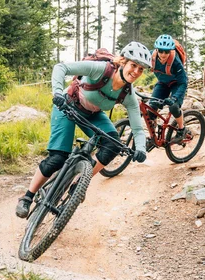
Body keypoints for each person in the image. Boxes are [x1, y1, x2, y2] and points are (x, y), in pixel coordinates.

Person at [15, 42, 152, 218]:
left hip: (92, 114)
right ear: (123, 62)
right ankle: (27, 197)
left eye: (141, 69)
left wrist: (140, 149)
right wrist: (57, 93)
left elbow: (138, 129)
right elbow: (60, 67)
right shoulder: (101, 69)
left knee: (114, 145)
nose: (136, 72)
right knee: (57, 158)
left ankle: (79, 184)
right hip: (68, 104)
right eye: (134, 65)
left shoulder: (129, 95)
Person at [150, 34, 189, 144]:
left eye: (167, 51)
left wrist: (175, 98)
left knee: (173, 107)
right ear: (157, 49)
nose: (163, 54)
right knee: (151, 107)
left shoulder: (175, 62)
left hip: (177, 84)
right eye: (161, 51)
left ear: (170, 51)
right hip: (162, 83)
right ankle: (153, 137)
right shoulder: (151, 56)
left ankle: (181, 129)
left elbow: (183, 82)